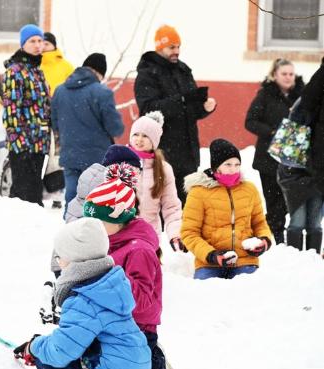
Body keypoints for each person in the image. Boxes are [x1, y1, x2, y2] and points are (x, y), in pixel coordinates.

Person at [15, 218, 151, 369]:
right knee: (76, 352)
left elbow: (61, 351)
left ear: (74, 261)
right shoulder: (108, 286)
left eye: (60, 256)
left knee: (47, 361)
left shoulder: (83, 298)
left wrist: (34, 347)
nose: (58, 261)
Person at [82, 168, 171, 369]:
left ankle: (157, 364)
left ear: (118, 220)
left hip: (137, 328)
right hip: (108, 323)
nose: (93, 228)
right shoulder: (106, 241)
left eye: (98, 222)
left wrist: (106, 275)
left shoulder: (139, 251)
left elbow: (141, 302)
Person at [134, 25, 216, 203]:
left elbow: (191, 109)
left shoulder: (183, 70)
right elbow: (148, 109)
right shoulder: (147, 73)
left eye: (178, 46)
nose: (176, 51)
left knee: (187, 206)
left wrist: (204, 108)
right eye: (172, 47)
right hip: (162, 153)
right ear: (160, 47)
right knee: (162, 205)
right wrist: (182, 100)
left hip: (188, 152)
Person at [181, 139, 273, 279]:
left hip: (245, 260)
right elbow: (189, 233)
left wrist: (264, 241)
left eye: (237, 164)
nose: (233, 169)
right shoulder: (198, 192)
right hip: (209, 263)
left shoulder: (249, 190)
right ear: (215, 166)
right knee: (205, 291)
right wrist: (212, 255)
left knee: (251, 289)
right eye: (228, 164)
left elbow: (259, 223)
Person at [52, 53, 125, 217]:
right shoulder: (102, 92)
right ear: (99, 73)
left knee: (72, 197)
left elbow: (55, 124)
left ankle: (70, 227)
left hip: (70, 154)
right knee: (96, 202)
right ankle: (91, 231)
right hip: (96, 157)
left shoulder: (60, 90)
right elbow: (115, 128)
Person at [51, 145, 141, 276]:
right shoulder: (109, 194)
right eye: (133, 172)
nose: (134, 179)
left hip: (65, 256)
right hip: (76, 263)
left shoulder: (95, 182)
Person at [245, 58, 304, 245]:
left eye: (291, 74)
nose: (288, 77)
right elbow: (250, 121)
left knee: (290, 201)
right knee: (273, 201)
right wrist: (272, 132)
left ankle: (289, 239)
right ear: (274, 75)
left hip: (294, 158)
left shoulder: (302, 95)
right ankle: (274, 239)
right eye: (284, 74)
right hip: (268, 158)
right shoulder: (265, 95)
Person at [277, 57, 324, 253]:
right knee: (298, 221)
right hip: (300, 167)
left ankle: (310, 260)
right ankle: (295, 259)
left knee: (314, 223)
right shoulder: (307, 100)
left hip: (314, 166)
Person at [2, 24, 51, 206]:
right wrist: (21, 144)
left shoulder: (37, 71)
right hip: (23, 146)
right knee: (25, 198)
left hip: (39, 144)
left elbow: (44, 107)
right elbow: (11, 111)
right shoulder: (14, 72)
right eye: (32, 41)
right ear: (23, 45)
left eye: (40, 41)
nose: (38, 45)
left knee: (33, 195)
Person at [128, 112, 185, 251]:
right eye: (136, 134)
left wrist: (175, 234)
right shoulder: (119, 162)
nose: (139, 139)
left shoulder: (163, 169)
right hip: (121, 235)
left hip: (149, 235)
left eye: (145, 136)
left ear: (154, 141)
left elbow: (171, 207)